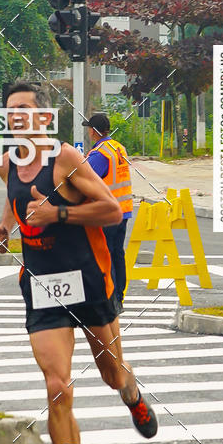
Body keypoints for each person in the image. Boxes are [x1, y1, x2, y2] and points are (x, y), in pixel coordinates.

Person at [0, 81, 157, 444]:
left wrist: (58, 214)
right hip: (43, 284)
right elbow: (16, 202)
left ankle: (132, 392)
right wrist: (6, 229)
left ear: (44, 117)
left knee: (111, 374)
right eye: (11, 110)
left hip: (87, 278)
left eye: (25, 108)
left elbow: (110, 210)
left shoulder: (66, 158)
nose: (17, 116)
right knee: (57, 387)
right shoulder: (8, 163)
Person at [86, 113, 133, 309]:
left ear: (93, 131)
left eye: (89, 128)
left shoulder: (99, 154)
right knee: (117, 254)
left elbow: (84, 177)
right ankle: (119, 297)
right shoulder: (118, 148)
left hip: (107, 213)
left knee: (106, 255)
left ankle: (111, 299)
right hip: (123, 211)